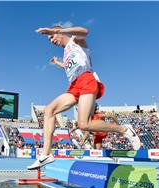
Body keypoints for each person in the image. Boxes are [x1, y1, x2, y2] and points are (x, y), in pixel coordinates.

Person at [28, 25, 140, 170]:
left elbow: (85, 31)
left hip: (86, 80)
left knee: (84, 124)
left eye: (51, 37)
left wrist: (57, 31)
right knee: (49, 110)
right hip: (74, 86)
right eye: (49, 38)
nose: (51, 40)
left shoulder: (75, 41)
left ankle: (124, 129)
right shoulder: (66, 52)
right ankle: (46, 154)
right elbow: (69, 67)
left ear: (58, 31)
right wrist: (57, 63)